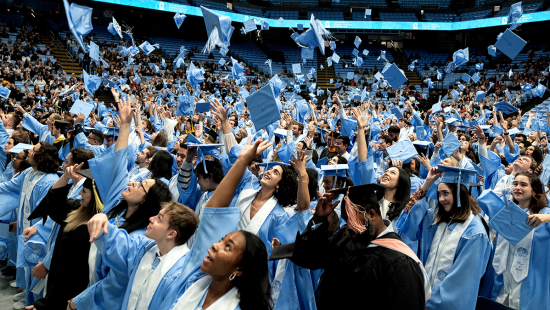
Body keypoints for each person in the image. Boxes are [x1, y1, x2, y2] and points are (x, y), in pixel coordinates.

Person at [72, 96, 172, 310]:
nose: (133, 182)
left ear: (146, 200)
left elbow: (113, 287)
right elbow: (118, 164)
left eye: (141, 185)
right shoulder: (117, 208)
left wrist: (79, 302)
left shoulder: (139, 239)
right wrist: (125, 125)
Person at [271, 183, 428, 309]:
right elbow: (311, 258)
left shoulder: (399, 262)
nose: (346, 226)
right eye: (345, 220)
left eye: (351, 219)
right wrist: (319, 218)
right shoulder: (347, 238)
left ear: (372, 214)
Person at [396, 166, 491, 310]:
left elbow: (461, 282)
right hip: (424, 299)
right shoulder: (437, 221)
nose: (441, 199)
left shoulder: (475, 233)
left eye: (445, 193)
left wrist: (426, 301)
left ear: (460, 193)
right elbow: (409, 226)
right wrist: (427, 184)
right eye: (439, 194)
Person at [24, 163, 102, 310]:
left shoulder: (88, 229)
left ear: (96, 197)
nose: (80, 194)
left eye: (84, 191)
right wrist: (65, 177)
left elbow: (70, 274)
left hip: (68, 292)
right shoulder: (77, 209)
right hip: (58, 283)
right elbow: (53, 201)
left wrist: (46, 304)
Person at [0, 141, 59, 307]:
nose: (29, 152)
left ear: (42, 156)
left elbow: (47, 215)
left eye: (33, 150)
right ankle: (26, 291)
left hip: (37, 231)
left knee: (34, 264)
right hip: (24, 224)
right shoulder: (29, 173)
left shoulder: (49, 181)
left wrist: (37, 228)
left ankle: (32, 300)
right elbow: (10, 187)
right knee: (25, 262)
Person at [479, 172, 550, 310]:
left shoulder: (544, 215)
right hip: (501, 278)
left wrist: (547, 218)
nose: (517, 187)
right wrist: (503, 191)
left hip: (529, 283)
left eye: (523, 185)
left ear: (534, 191)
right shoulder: (506, 213)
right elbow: (483, 198)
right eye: (515, 184)